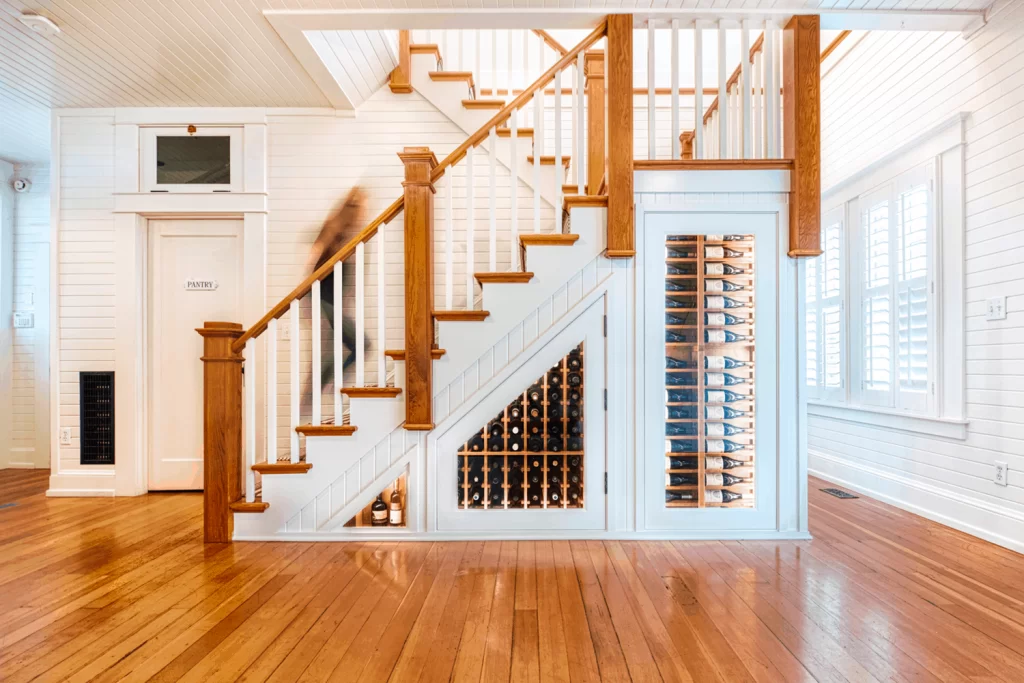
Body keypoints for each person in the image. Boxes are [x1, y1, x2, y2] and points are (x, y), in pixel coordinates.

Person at [306, 188, 367, 410]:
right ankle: (322, 392)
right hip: (327, 300)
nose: (363, 214)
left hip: (334, 302)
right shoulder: (336, 231)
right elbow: (315, 266)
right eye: (361, 209)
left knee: (333, 352)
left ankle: (314, 397)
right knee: (359, 345)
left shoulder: (348, 235)